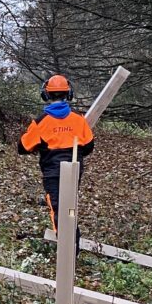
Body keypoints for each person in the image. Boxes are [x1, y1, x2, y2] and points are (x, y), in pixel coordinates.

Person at [18, 74, 95, 237]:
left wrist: (39, 145)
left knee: (57, 207)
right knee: (69, 207)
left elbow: (23, 147)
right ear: (68, 93)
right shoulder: (78, 119)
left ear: (46, 94)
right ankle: (71, 245)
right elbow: (89, 146)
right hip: (75, 169)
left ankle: (69, 247)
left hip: (52, 172)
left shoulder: (40, 122)